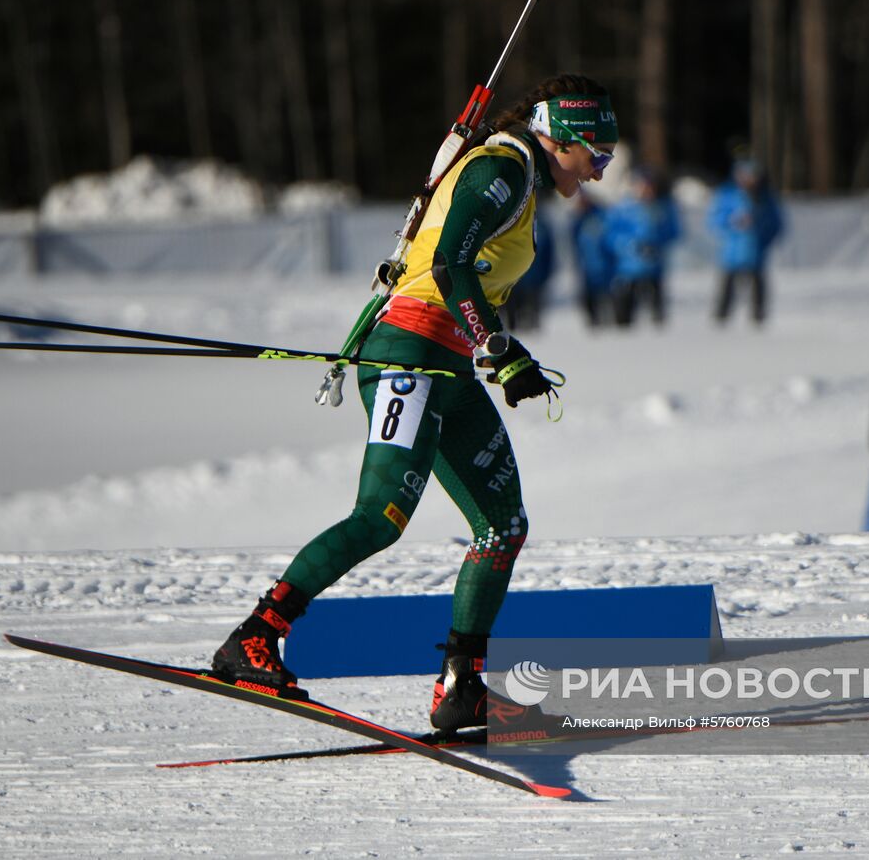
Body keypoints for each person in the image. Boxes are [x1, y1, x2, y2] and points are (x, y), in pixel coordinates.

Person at [209, 74, 618, 732]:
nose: (598, 172)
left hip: (447, 364)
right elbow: (449, 267)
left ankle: (461, 686)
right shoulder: (504, 169)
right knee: (380, 518)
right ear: (563, 138)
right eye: (597, 155)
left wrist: (493, 349)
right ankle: (253, 638)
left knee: (502, 526)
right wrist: (499, 346)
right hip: (408, 354)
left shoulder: (515, 174)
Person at [707, 158, 785, 325]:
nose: (748, 180)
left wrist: (761, 233)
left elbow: (776, 224)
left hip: (756, 251)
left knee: (757, 286)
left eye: (752, 176)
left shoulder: (766, 198)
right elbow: (714, 221)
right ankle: (722, 316)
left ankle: (758, 316)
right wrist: (732, 223)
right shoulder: (727, 194)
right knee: (727, 285)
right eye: (744, 175)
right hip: (732, 252)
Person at [605, 166, 681, 326]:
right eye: (642, 185)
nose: (646, 190)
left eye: (649, 186)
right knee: (625, 316)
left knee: (657, 315)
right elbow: (610, 236)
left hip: (653, 269)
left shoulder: (662, 208)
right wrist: (630, 245)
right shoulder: (622, 209)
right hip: (628, 271)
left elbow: (674, 232)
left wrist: (656, 243)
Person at [567, 191, 615, 326]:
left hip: (605, 266)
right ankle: (593, 323)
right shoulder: (577, 220)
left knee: (606, 297)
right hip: (586, 267)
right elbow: (573, 242)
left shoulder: (602, 216)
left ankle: (609, 322)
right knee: (589, 299)